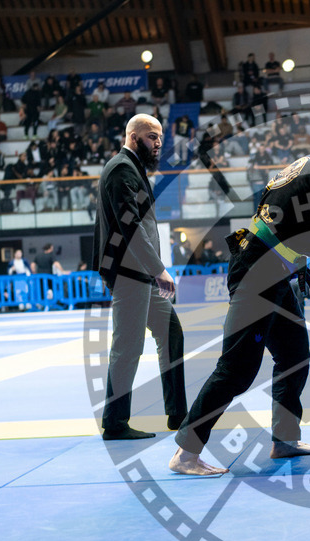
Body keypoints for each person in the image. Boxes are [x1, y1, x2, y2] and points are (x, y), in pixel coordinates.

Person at [172, 133, 310, 475]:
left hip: (272, 264)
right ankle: (186, 452)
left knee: (294, 355)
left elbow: (283, 215)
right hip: (258, 271)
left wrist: (296, 262)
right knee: (236, 369)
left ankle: (284, 439)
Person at [94, 114, 188, 443]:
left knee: (170, 331)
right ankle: (115, 422)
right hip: (130, 273)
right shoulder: (122, 169)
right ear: (134, 137)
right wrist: (159, 269)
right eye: (152, 137)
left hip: (138, 273)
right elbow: (129, 227)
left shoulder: (132, 169)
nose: (158, 143)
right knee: (127, 346)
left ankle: (178, 413)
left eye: (160, 136)